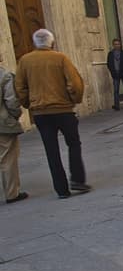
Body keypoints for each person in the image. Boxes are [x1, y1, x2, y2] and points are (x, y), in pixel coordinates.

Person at [15, 29, 91, 199]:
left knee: (51, 150)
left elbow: (19, 87)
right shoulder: (60, 58)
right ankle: (78, 180)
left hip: (41, 113)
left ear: (35, 43)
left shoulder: (24, 61)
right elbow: (75, 83)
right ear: (52, 43)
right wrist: (74, 99)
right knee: (73, 143)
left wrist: (29, 103)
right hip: (63, 110)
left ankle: (61, 189)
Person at [0, 57, 27, 203]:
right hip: (3, 124)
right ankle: (12, 193)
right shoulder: (4, 76)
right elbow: (11, 100)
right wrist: (15, 115)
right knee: (8, 158)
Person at [106, 38, 123, 110]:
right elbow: (109, 64)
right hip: (115, 74)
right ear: (113, 45)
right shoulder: (110, 54)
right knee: (116, 90)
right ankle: (116, 105)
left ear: (120, 45)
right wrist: (112, 71)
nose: (117, 46)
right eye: (115, 44)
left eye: (118, 44)